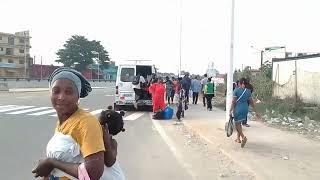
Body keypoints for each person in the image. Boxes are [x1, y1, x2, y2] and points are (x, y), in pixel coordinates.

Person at [32, 67, 125, 179]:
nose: (61, 97)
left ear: (78, 96)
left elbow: (92, 174)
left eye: (69, 92)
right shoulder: (62, 123)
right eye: (56, 91)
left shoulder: (86, 123)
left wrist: (51, 163)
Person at [229, 78, 259, 148]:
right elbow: (251, 102)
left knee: (237, 125)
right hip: (245, 109)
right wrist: (256, 111)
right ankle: (238, 139)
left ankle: (243, 137)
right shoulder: (248, 91)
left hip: (238, 109)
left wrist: (230, 110)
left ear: (240, 83)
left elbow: (233, 102)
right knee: (239, 123)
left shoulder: (236, 90)